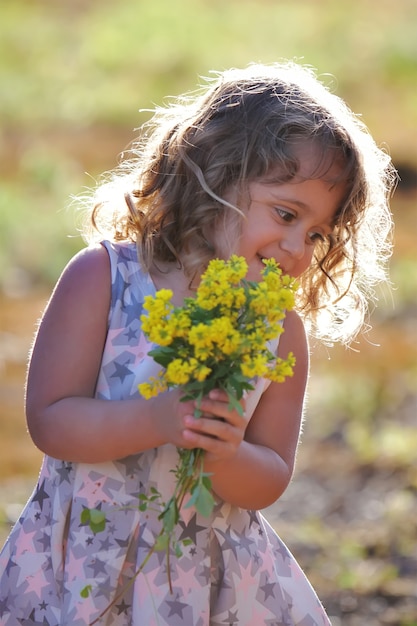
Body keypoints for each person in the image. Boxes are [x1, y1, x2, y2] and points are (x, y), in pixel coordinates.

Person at [0, 62, 395, 626]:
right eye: (285, 214)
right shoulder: (104, 279)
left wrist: (225, 454)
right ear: (216, 173)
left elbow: (271, 475)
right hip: (81, 566)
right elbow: (50, 421)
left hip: (204, 585)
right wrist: (159, 419)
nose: (297, 248)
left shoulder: (278, 331)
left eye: (316, 234)